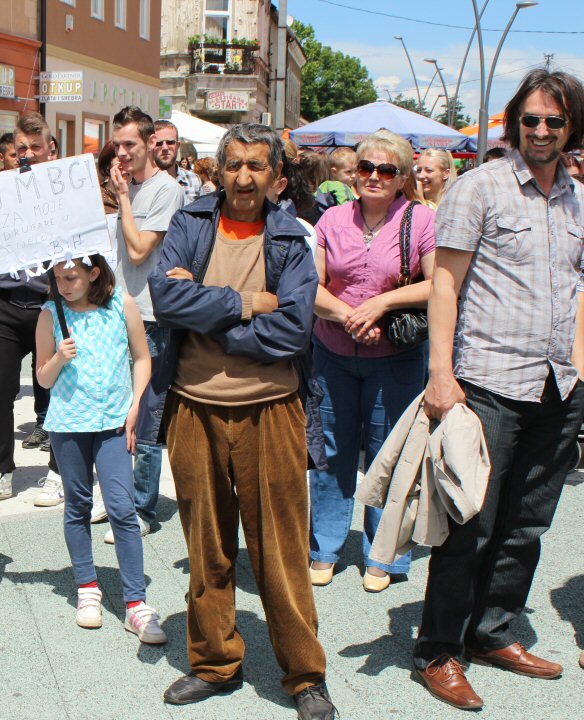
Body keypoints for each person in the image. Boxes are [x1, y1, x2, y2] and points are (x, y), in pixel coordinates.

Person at [148, 123, 337, 720]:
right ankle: (214, 662)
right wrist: (245, 303)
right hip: (193, 405)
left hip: (272, 410)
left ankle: (305, 675)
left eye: (258, 166)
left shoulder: (290, 237)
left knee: (279, 548)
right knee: (206, 543)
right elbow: (164, 299)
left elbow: (294, 329)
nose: (245, 177)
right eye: (234, 165)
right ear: (218, 169)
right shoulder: (190, 223)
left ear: (277, 176)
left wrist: (206, 308)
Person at [413, 69, 584, 711]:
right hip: (488, 382)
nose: (541, 131)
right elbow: (445, 287)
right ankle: (438, 650)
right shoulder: (476, 188)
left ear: (572, 128)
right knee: (472, 525)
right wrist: (439, 374)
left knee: (527, 524)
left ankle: (491, 632)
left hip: (560, 387)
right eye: (531, 120)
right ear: (514, 123)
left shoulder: (578, 200)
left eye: (555, 121)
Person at [308, 129, 435, 592]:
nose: (374, 177)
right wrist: (348, 315)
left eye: (387, 170)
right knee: (330, 452)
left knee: (390, 452)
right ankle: (323, 546)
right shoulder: (332, 220)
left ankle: (385, 554)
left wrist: (379, 305)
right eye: (366, 168)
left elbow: (437, 284)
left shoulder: (420, 221)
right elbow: (311, 284)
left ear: (402, 178)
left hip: (395, 359)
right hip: (332, 352)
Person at [35, 254, 166, 644]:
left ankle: (135, 604)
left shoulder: (121, 303)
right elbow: (42, 379)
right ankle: (87, 587)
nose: (65, 284)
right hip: (68, 424)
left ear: (94, 273)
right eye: (58, 277)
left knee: (122, 508)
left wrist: (136, 405)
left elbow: (142, 358)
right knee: (76, 504)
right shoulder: (48, 313)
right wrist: (59, 357)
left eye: (72, 276)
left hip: (112, 422)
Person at [0, 111, 63, 508]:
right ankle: (0, 474)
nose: (26, 155)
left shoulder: (65, 189)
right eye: (20, 149)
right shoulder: (1, 191)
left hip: (50, 303)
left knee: (59, 391)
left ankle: (59, 474)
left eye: (34, 147)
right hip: (7, 304)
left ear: (50, 149)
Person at [109, 106, 182, 543]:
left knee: (148, 412)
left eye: (130, 145)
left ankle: (141, 507)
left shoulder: (164, 190)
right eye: (117, 145)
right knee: (116, 406)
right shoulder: (125, 187)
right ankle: (118, 498)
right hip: (117, 308)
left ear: (151, 144)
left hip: (151, 315)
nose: (122, 153)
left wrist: (121, 199)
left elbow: (138, 252)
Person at [153, 120, 202, 206]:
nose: (165, 148)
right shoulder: (143, 183)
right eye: (159, 143)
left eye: (170, 142)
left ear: (178, 146)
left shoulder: (194, 179)